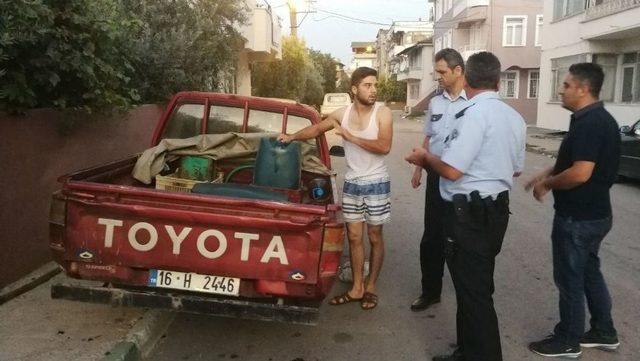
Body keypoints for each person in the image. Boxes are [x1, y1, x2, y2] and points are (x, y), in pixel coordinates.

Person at [405, 51, 526, 361]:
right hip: (495, 210)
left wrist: (424, 159)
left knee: (474, 295)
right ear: (499, 81)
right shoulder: (514, 117)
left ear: (467, 78)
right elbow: (515, 169)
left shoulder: (472, 114)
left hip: (470, 214)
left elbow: (452, 169)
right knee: (473, 287)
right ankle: (467, 350)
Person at [278, 66, 393, 310]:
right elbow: (317, 129)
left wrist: (351, 138)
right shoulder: (343, 113)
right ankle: (357, 288)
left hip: (376, 182)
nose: (373, 90)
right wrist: (291, 137)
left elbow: (384, 146)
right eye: (367, 85)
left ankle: (371, 287)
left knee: (374, 236)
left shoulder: (383, 113)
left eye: (375, 86)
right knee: (353, 237)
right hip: (353, 183)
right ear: (354, 89)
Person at [526, 63, 621, 359]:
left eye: (566, 85)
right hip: (595, 215)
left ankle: (568, 340)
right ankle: (604, 331)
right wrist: (542, 174)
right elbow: (572, 159)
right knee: (589, 272)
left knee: (570, 278)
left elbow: (580, 172)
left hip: (578, 218)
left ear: (583, 89)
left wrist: (548, 185)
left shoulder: (591, 124)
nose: (561, 90)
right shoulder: (591, 119)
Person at [410, 48, 468, 312]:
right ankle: (430, 291)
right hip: (436, 176)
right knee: (431, 237)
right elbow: (429, 136)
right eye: (437, 72)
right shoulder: (436, 101)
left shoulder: (473, 103)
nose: (439, 77)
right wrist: (419, 167)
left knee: (459, 239)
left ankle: (467, 294)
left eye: (442, 72)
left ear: (458, 71)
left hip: (461, 181)